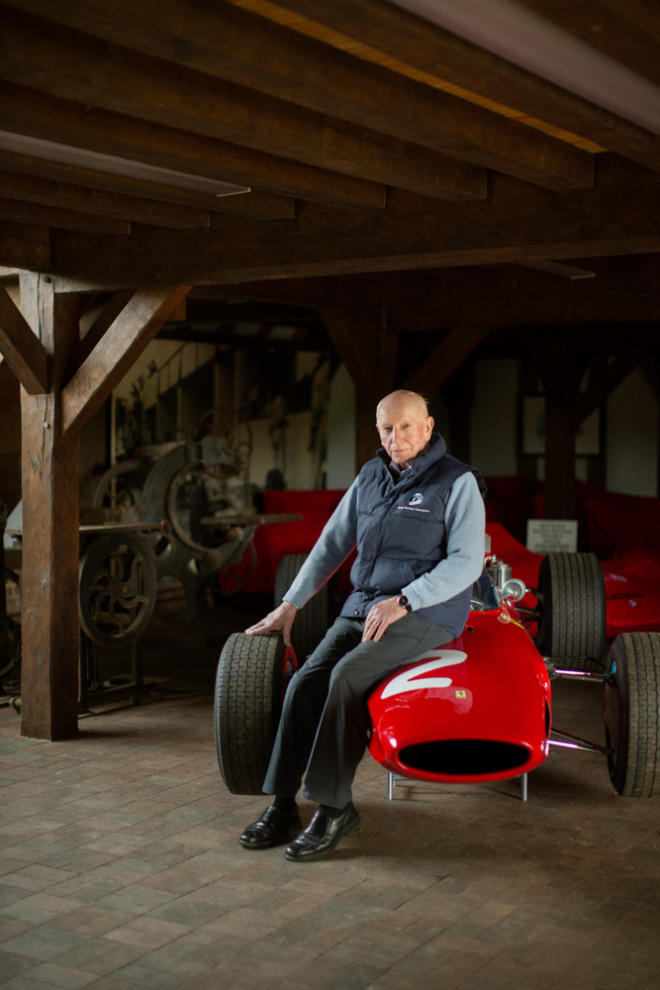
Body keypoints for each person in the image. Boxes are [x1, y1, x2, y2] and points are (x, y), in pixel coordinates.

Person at [240, 389, 486, 861]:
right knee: (305, 683)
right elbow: (332, 544)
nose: (396, 438)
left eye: (406, 427)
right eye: (387, 429)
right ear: (378, 431)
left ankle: (334, 809)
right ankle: (284, 803)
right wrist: (290, 605)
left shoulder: (457, 482)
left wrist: (406, 600)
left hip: (427, 612)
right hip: (364, 606)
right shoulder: (371, 476)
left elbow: (467, 562)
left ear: (429, 427)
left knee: (346, 678)